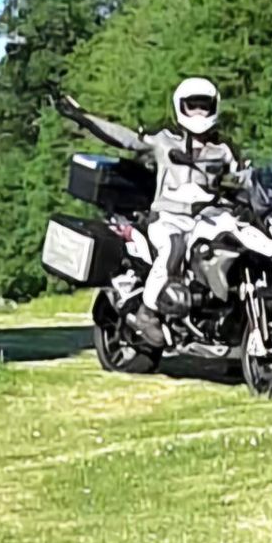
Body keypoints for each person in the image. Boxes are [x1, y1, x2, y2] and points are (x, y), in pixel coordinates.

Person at [57, 78, 248, 346]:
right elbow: (125, 138)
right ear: (180, 107)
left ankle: (229, 316)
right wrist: (82, 117)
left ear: (214, 107)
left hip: (207, 219)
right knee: (172, 246)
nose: (199, 113)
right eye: (192, 106)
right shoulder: (164, 139)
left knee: (243, 241)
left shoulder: (225, 149)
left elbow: (248, 177)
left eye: (204, 106)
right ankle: (148, 311)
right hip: (167, 217)